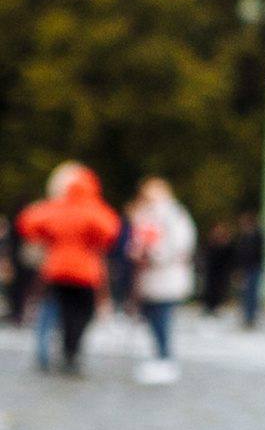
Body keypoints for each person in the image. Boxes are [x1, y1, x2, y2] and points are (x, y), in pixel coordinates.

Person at [15, 164, 122, 375]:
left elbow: (28, 222)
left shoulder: (56, 207)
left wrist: (48, 238)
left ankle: (48, 353)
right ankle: (71, 351)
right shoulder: (93, 209)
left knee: (58, 310)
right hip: (84, 271)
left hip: (56, 269)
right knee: (82, 313)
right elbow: (111, 231)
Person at [127, 179, 197, 384]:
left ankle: (166, 357)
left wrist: (154, 255)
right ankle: (160, 355)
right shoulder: (145, 215)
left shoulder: (172, 214)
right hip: (150, 277)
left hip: (165, 275)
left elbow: (179, 244)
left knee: (162, 317)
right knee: (151, 316)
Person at [232, 212, 265, 328]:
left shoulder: (257, 236)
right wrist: (238, 269)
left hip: (253, 269)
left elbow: (259, 254)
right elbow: (239, 255)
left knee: (253, 294)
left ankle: (251, 318)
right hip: (245, 270)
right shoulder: (242, 237)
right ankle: (246, 317)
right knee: (245, 294)